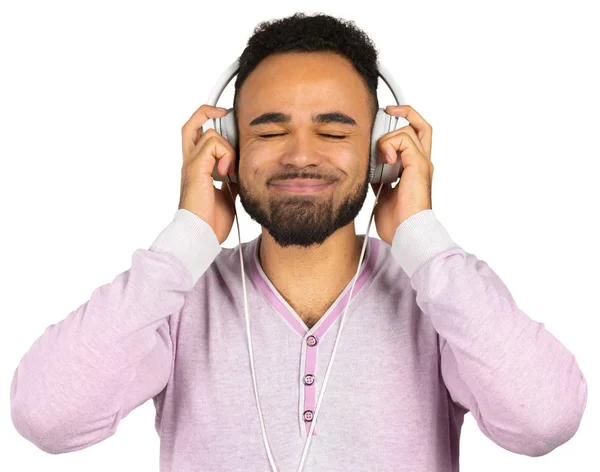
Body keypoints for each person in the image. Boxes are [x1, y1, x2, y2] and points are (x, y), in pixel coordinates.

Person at [10, 12, 587, 472]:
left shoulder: (438, 296)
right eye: (269, 129)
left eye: (334, 131)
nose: (301, 155)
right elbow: (46, 418)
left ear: (383, 149)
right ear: (228, 146)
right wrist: (185, 238)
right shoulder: (174, 298)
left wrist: (422, 239)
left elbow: (545, 421)